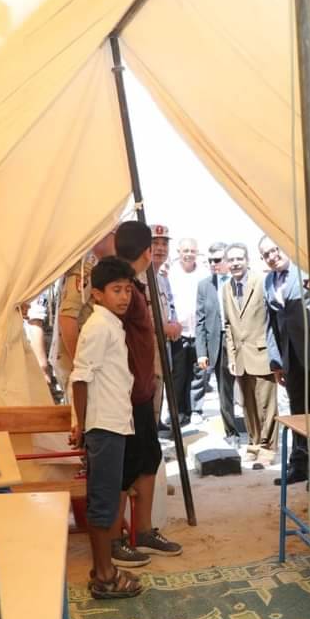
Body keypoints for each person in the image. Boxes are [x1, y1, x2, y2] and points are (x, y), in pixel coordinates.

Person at [68, 257, 143, 599]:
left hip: (112, 423)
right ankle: (104, 576)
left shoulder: (111, 324)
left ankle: (104, 570)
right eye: (116, 290)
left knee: (107, 501)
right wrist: (83, 427)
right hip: (103, 427)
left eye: (127, 290)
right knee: (103, 503)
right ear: (97, 294)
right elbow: (80, 377)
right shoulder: (99, 326)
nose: (124, 296)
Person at [113, 221, 182, 565]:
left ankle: (142, 530)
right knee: (123, 468)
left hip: (140, 388)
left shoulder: (137, 285)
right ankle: (116, 541)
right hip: (124, 391)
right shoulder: (121, 287)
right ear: (145, 251)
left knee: (148, 457)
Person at [260, 236, 310, 486]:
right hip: (289, 358)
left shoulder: (305, 271)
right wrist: (275, 361)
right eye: (266, 254)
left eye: (275, 250)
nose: (272, 257)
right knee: (297, 413)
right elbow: (271, 323)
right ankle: (299, 465)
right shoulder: (268, 282)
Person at [221, 242, 279, 465]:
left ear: (247, 260)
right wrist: (231, 356)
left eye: (239, 259)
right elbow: (228, 325)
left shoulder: (261, 281)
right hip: (240, 357)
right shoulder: (226, 288)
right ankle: (254, 444)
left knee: (266, 405)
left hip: (262, 352)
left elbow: (273, 319)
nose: (235, 263)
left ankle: (268, 448)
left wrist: (275, 354)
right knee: (247, 404)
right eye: (231, 260)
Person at [55, 230, 116, 395]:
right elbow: (67, 318)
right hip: (83, 364)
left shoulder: (102, 267)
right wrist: (82, 365)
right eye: (114, 233)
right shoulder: (86, 268)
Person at [195, 241, 241, 444]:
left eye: (217, 260)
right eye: (210, 260)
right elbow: (200, 320)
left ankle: (257, 433)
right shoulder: (204, 286)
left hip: (240, 340)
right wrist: (201, 352)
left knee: (248, 388)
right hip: (218, 342)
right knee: (224, 390)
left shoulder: (239, 280)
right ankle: (232, 433)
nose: (213, 264)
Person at [149, 224, 182, 432]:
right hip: (147, 353)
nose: (160, 248)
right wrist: (163, 327)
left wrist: (174, 324)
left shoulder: (161, 279)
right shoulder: (140, 278)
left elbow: (170, 309)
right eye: (155, 243)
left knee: (157, 402)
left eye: (164, 244)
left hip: (162, 351)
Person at [169, 236, 203, 425]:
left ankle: (195, 409)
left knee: (199, 373)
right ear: (179, 253)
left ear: (197, 252)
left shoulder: (203, 273)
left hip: (198, 331)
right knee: (178, 374)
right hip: (178, 333)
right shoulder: (170, 274)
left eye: (192, 251)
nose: (189, 254)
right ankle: (178, 411)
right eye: (185, 251)